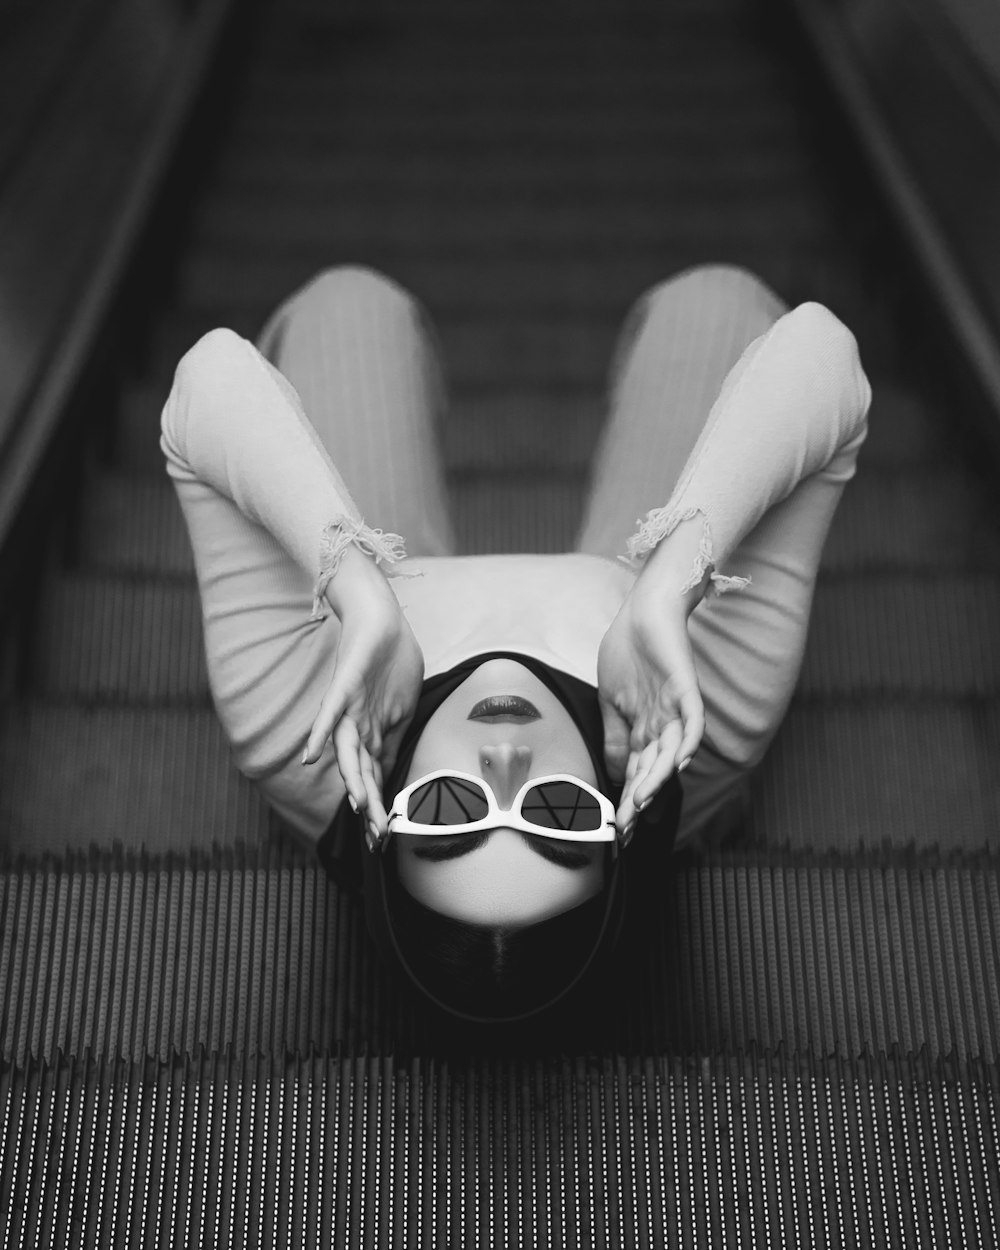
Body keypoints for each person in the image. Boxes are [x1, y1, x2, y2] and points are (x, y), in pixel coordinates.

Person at [160, 263, 871, 1023]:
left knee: (350, 307)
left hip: (381, 630)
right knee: (716, 303)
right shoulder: (706, 712)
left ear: (380, 819)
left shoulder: (295, 720)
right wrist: (674, 580)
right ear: (619, 815)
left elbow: (208, 380)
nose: (504, 760)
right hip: (644, 649)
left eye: (446, 807)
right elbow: (822, 353)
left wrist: (356, 588)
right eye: (560, 814)